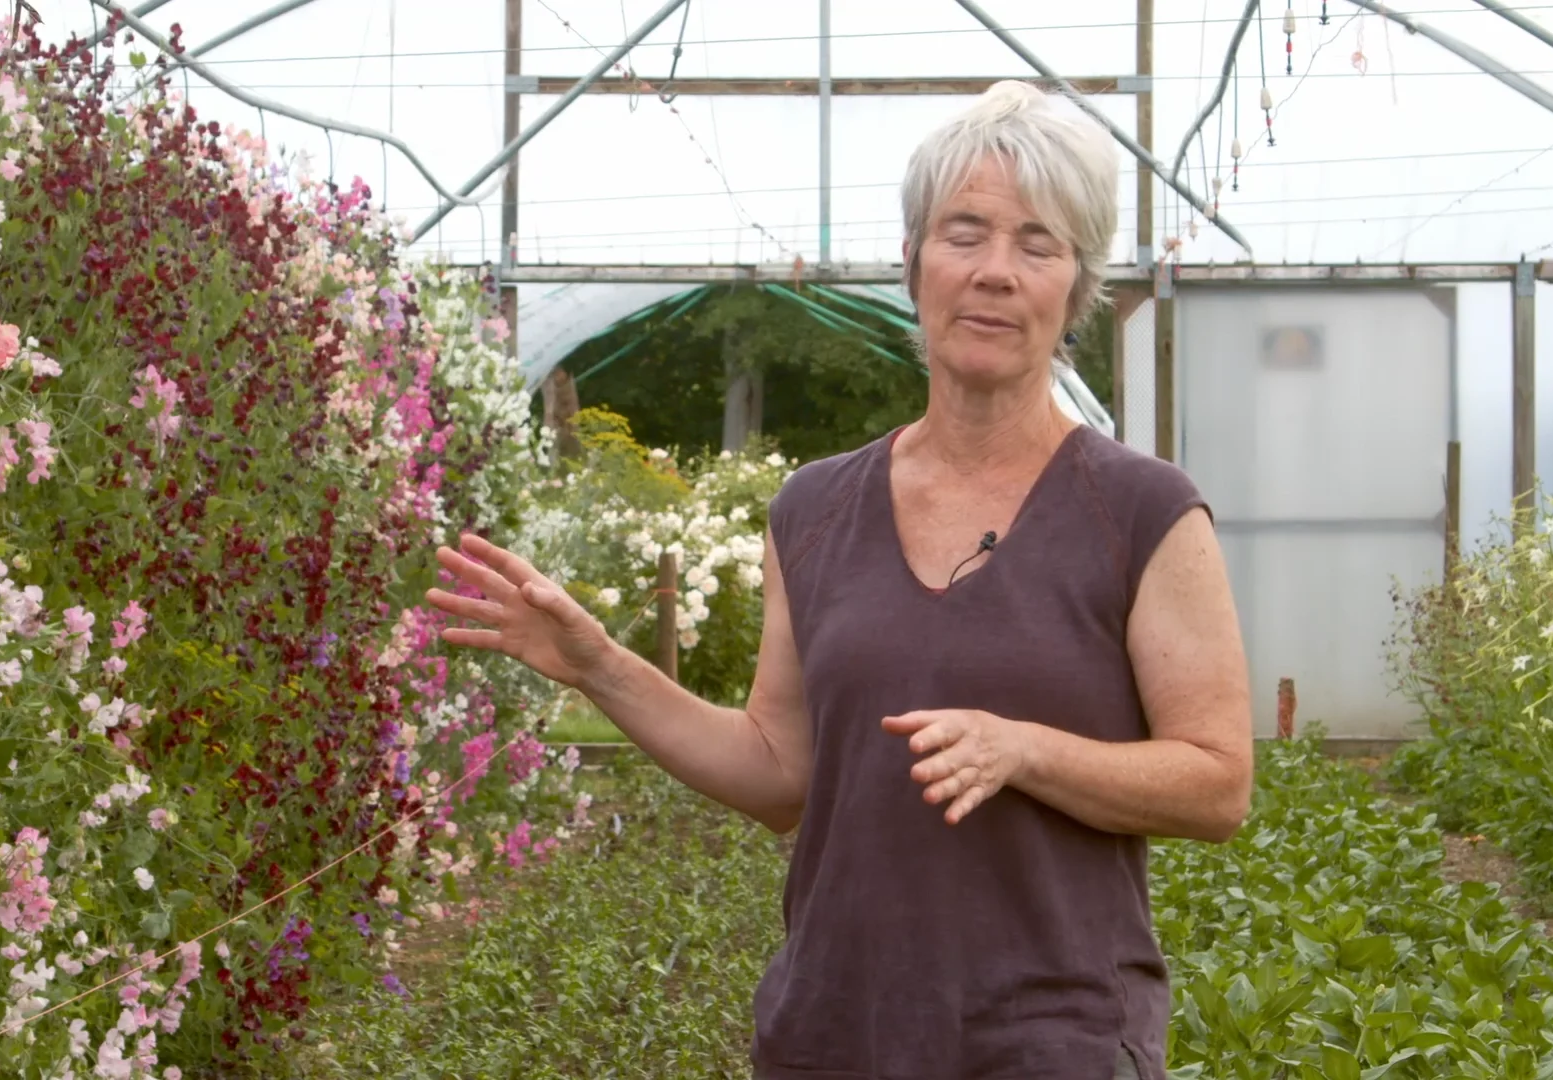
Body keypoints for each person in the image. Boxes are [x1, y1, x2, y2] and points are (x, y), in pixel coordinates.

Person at [425, 80, 1254, 1080]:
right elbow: (780, 774)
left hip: (1051, 1044)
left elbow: (1218, 783)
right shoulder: (815, 509)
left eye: (1037, 245)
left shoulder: (1142, 511)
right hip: (831, 1038)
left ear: (1074, 287)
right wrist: (600, 665)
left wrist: (1026, 750)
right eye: (964, 233)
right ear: (913, 262)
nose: (994, 271)